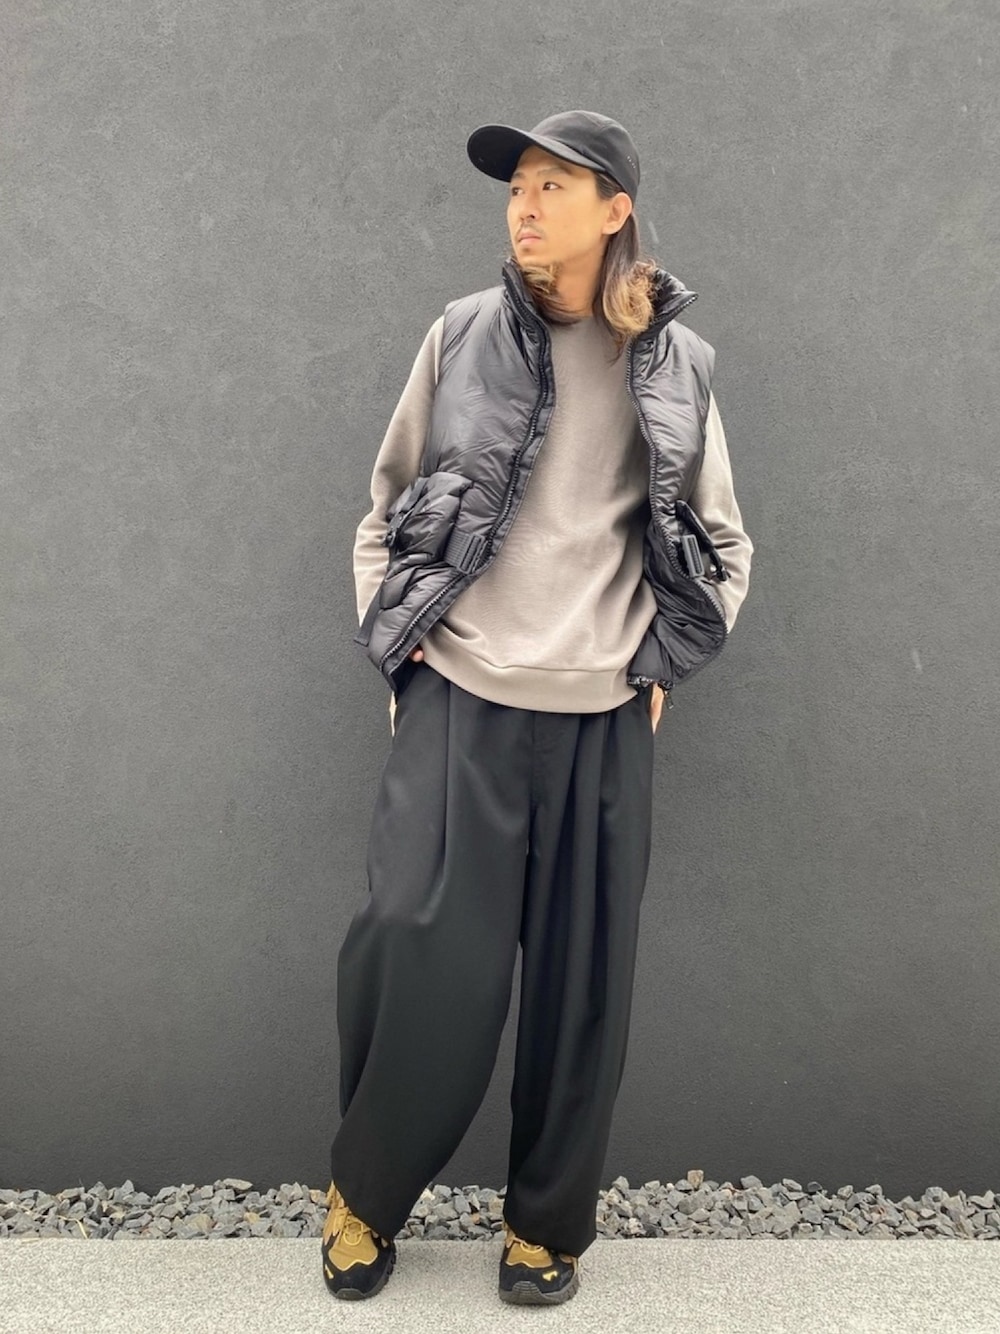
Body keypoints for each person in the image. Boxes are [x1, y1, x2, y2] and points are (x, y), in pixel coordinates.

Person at [322, 109, 753, 1306]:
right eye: (517, 185)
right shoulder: (461, 333)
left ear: (615, 210)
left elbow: (719, 539)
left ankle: (544, 1224)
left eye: (554, 185)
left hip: (603, 712)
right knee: (412, 945)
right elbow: (386, 508)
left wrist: (661, 663)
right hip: (461, 693)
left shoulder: (676, 363)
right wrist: (404, 658)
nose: (524, 204)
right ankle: (362, 1193)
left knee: (582, 983)